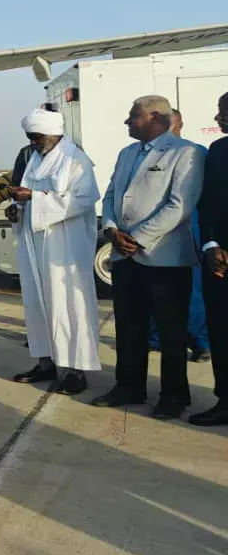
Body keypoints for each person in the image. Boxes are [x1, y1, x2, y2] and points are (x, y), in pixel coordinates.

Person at [93, 95, 205, 420]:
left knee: (171, 333)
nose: (128, 122)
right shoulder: (126, 153)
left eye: (133, 116)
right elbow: (112, 194)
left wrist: (138, 238)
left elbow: (180, 204)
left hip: (164, 260)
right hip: (124, 256)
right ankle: (128, 386)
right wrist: (112, 230)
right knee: (129, 327)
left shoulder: (186, 153)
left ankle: (174, 395)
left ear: (156, 118)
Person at [10, 108, 101, 394]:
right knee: (37, 304)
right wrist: (17, 208)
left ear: (52, 133)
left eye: (36, 137)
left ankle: (75, 371)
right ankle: (46, 361)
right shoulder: (35, 160)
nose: (33, 143)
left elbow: (83, 200)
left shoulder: (76, 159)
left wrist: (33, 198)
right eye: (30, 138)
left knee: (69, 305)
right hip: (35, 246)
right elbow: (26, 197)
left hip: (65, 248)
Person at [149, 108, 210, 361]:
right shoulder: (148, 154)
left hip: (189, 227)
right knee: (157, 287)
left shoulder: (194, 152)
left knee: (193, 288)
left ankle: (200, 341)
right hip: (157, 233)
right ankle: (157, 337)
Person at [190, 91, 228, 426]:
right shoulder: (218, 150)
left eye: (224, 112)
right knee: (221, 330)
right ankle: (225, 400)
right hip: (220, 260)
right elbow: (210, 202)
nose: (218, 118)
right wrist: (211, 244)